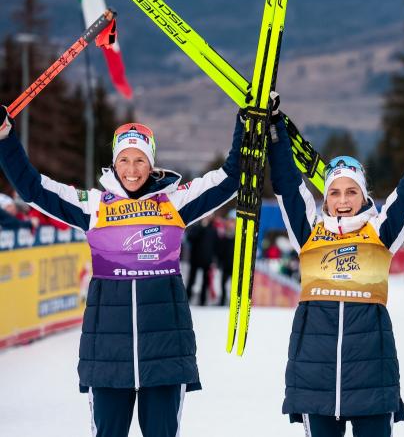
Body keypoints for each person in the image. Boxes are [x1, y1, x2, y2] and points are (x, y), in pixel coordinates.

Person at [0, 105, 243, 437]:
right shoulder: (93, 206)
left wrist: (247, 127)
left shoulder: (174, 203)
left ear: (151, 163)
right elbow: (33, 188)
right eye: (125, 160)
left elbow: (229, 179)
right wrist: (4, 137)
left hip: (165, 353)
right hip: (107, 356)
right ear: (114, 162)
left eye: (140, 159)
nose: (132, 169)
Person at [267, 92, 404, 436]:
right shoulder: (309, 232)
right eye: (334, 192)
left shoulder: (379, 231)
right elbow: (288, 187)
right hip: (315, 376)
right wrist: (274, 127)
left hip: (372, 376)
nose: (341, 201)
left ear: (363, 195)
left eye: (350, 192)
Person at [185, 213, 218, 305]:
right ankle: (187, 299)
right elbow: (190, 238)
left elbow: (216, 246)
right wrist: (201, 227)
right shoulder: (196, 226)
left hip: (207, 260)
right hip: (195, 259)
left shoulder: (213, 229)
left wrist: (214, 260)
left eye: (210, 215)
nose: (208, 216)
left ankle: (202, 302)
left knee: (205, 283)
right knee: (191, 280)